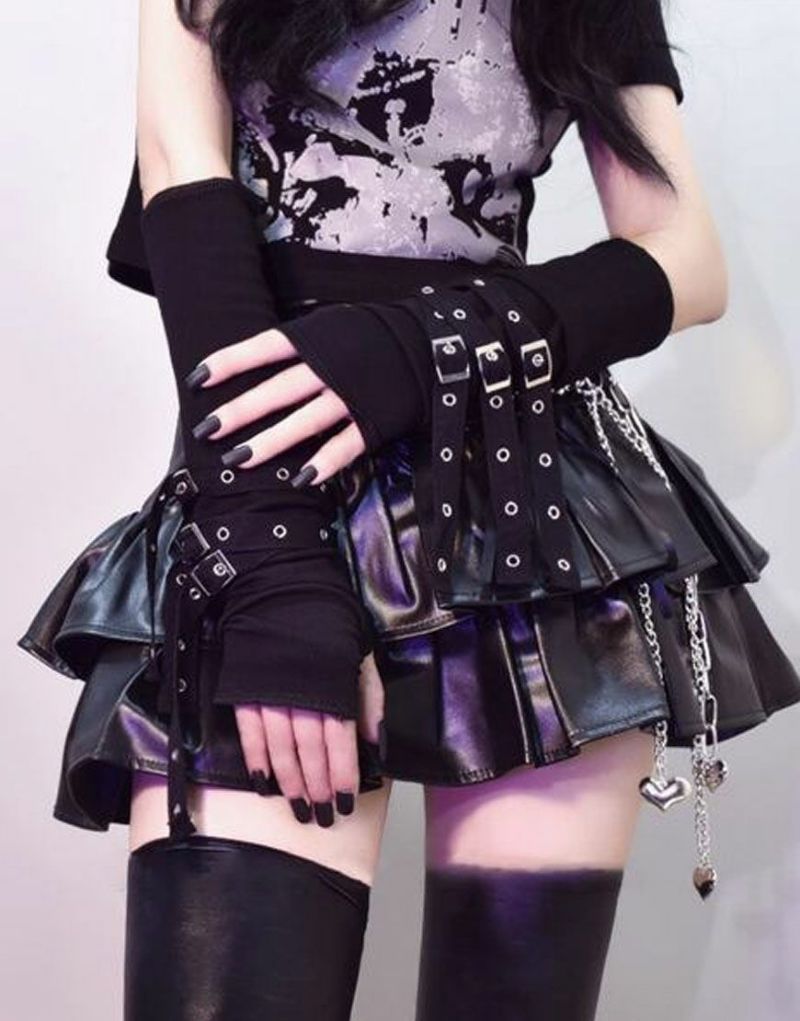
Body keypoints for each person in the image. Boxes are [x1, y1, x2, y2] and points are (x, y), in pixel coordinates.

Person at [19, 1, 800, 1019]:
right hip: (272, 487)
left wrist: (415, 347)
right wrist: (267, 555)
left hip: (527, 522)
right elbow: (183, 173)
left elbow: (686, 258)